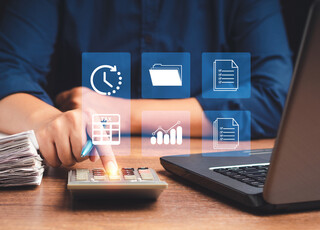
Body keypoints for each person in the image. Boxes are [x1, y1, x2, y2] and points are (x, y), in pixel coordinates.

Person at [0, 0, 292, 172]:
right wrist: (50, 121)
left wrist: (122, 113)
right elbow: (7, 70)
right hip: (77, 168)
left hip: (205, 170)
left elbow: (277, 97)